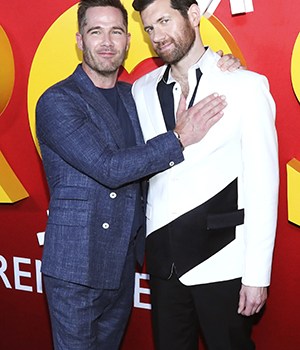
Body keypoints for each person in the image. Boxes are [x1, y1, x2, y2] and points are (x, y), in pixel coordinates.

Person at [35, 0, 241, 349]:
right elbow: (109, 168)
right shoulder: (58, 101)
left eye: (116, 31)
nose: (106, 41)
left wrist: (219, 65)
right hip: (76, 270)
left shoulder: (134, 96)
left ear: (129, 41)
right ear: (79, 40)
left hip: (120, 264)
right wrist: (179, 137)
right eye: (95, 31)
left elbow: (183, 76)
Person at [132, 0, 279, 349]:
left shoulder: (246, 86)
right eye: (150, 28)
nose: (157, 36)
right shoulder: (141, 90)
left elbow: (263, 186)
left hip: (223, 260)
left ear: (194, 16)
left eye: (165, 21)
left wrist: (257, 275)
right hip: (164, 262)